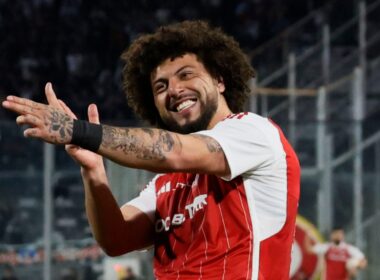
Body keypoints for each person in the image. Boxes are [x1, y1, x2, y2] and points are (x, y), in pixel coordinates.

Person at [2, 20, 300, 279]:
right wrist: (93, 173)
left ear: (220, 81)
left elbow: (173, 151)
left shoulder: (253, 131)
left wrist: (79, 131)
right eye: (160, 86)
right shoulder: (164, 185)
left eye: (186, 74)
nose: (174, 89)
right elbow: (115, 240)